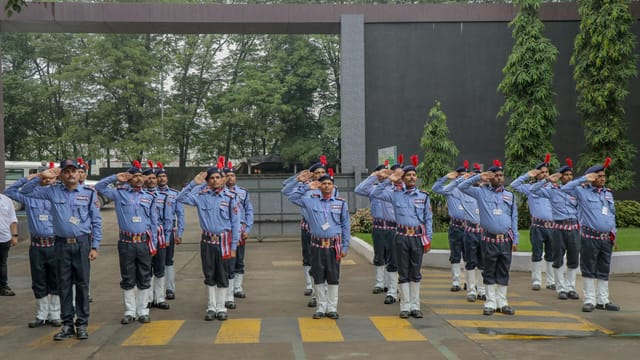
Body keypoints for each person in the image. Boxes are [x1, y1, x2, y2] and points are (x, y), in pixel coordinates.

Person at [19, 159, 102, 340]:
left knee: (82, 285)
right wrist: (41, 176)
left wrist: (95, 246)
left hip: (82, 244)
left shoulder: (88, 193)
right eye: (67, 171)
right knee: (63, 285)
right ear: (61, 175)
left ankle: (81, 324)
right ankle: (66, 325)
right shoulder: (52, 191)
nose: (71, 174)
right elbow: (24, 192)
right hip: (61, 244)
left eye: (74, 171)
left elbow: (96, 221)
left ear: (79, 173)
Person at [95, 160, 158, 324]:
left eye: (140, 176)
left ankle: (143, 310)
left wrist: (154, 243)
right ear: (128, 178)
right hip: (126, 242)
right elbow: (99, 187)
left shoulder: (149, 197)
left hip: (144, 242)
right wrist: (115, 177)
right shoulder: (119, 193)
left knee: (145, 276)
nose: (138, 179)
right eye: (134, 176)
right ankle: (130, 311)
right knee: (128, 276)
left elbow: (153, 221)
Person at [177, 162, 240, 321]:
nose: (215, 180)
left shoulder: (231, 197)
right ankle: (211, 306)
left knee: (223, 274)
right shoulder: (201, 196)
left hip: (224, 241)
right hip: (207, 241)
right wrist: (194, 183)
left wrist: (234, 245)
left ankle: (221, 307)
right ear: (207, 181)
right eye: (211, 178)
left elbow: (236, 223)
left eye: (218, 177)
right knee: (209, 274)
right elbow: (180, 198)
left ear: (223, 179)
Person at [371, 155, 432, 319]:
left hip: (417, 238)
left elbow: (428, 219)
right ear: (403, 178)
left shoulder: (424, 196)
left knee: (416, 272)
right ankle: (405, 306)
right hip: (401, 237)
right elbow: (376, 192)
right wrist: (389, 179)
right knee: (403, 272)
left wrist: (429, 237)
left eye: (414, 175)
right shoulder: (395, 194)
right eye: (408, 175)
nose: (412, 177)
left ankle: (415, 306)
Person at [285, 168, 350, 319]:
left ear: (333, 187)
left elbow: (346, 226)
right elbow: (290, 195)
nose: (326, 186)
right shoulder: (310, 201)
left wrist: (345, 246)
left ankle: (332, 307)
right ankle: (321, 307)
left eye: (329, 184)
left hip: (334, 246)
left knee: (333, 277)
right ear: (319, 186)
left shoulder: (340, 204)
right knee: (318, 276)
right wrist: (306, 186)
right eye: (323, 184)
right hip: (317, 245)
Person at [5, 163, 62, 326]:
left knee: (55, 279)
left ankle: (55, 314)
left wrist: (56, 176)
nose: (48, 180)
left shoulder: (58, 196)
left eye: (51, 177)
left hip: (54, 244)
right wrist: (34, 178)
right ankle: (41, 314)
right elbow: (10, 192)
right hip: (37, 246)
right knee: (39, 280)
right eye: (45, 177)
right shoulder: (31, 197)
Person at [459, 160, 518, 316]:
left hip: (505, 239)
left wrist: (516, 239)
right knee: (489, 270)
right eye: (495, 175)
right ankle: (490, 302)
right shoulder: (481, 192)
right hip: (489, 239)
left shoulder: (509, 195)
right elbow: (462, 187)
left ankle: (502, 302)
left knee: (504, 270)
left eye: (501, 175)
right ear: (490, 177)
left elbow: (514, 218)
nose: (499, 178)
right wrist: (478, 177)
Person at [561, 157, 619, 312]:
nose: (602, 179)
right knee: (588, 269)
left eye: (603, 176)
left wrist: (614, 233)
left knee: (603, 269)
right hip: (589, 238)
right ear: (591, 177)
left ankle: (603, 300)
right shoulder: (581, 191)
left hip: (606, 238)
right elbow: (565, 188)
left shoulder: (607, 193)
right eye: (598, 176)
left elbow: (612, 214)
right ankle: (589, 300)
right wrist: (584, 179)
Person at [433, 161, 485, 302]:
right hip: (456, 226)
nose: (465, 177)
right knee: (456, 254)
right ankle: (456, 281)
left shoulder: (475, 190)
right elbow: (436, 189)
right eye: (461, 175)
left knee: (473, 258)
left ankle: (472, 284)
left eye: (466, 175)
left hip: (473, 227)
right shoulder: (453, 189)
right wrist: (446, 178)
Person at [282, 156, 329, 308]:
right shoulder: (306, 188)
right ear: (312, 175)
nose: (321, 175)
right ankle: (311, 286)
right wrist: (299, 180)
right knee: (309, 258)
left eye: (323, 172)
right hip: (309, 228)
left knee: (325, 262)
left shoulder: (330, 187)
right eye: (317, 172)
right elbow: (286, 191)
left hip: (326, 231)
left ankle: (324, 291)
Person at [530, 158, 581, 300]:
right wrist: (547, 180)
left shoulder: (577, 191)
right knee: (557, 258)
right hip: (558, 229)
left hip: (573, 228)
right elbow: (533, 189)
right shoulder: (553, 191)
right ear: (560, 177)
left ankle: (571, 287)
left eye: (571, 175)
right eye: (566, 175)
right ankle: (561, 288)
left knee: (573, 259)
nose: (569, 177)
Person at [354, 161, 398, 303]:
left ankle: (390, 285)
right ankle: (379, 283)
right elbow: (358, 190)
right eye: (382, 173)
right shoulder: (373, 189)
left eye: (387, 172)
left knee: (392, 256)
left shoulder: (395, 189)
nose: (384, 175)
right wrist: (374, 176)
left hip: (393, 227)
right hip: (379, 226)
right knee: (379, 255)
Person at [510, 154, 556, 291]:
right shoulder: (530, 187)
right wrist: (527, 175)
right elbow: (514, 185)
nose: (545, 174)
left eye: (547, 172)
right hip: (537, 226)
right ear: (536, 174)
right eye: (541, 172)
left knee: (551, 254)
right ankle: (536, 281)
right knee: (536, 253)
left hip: (552, 226)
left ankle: (550, 281)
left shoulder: (554, 187)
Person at [141, 161, 170, 310]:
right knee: (146, 268)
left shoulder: (163, 196)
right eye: (149, 178)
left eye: (154, 178)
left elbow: (167, 218)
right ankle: (148, 298)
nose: (152, 181)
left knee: (159, 268)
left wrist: (167, 235)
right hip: (145, 235)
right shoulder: (140, 195)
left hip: (159, 236)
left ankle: (159, 298)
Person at [154, 162, 184, 301]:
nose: (161, 179)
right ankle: (155, 291)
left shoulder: (174, 194)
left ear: (167, 178)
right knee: (153, 262)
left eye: (164, 176)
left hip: (169, 232)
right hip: (153, 232)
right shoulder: (150, 194)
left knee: (168, 261)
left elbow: (180, 214)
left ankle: (170, 288)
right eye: (158, 176)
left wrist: (180, 233)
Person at [224, 162, 254, 300]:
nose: (230, 178)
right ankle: (226, 287)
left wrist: (247, 228)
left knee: (239, 260)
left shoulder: (243, 192)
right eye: (227, 175)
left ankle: (237, 287)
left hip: (239, 230)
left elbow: (249, 211)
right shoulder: (220, 193)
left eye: (232, 175)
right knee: (226, 260)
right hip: (224, 232)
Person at [0, 192, 19, 297]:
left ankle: (3, 287)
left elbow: (13, 219)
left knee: (2, 264)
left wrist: (14, 235)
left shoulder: (6, 200)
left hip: (4, 238)